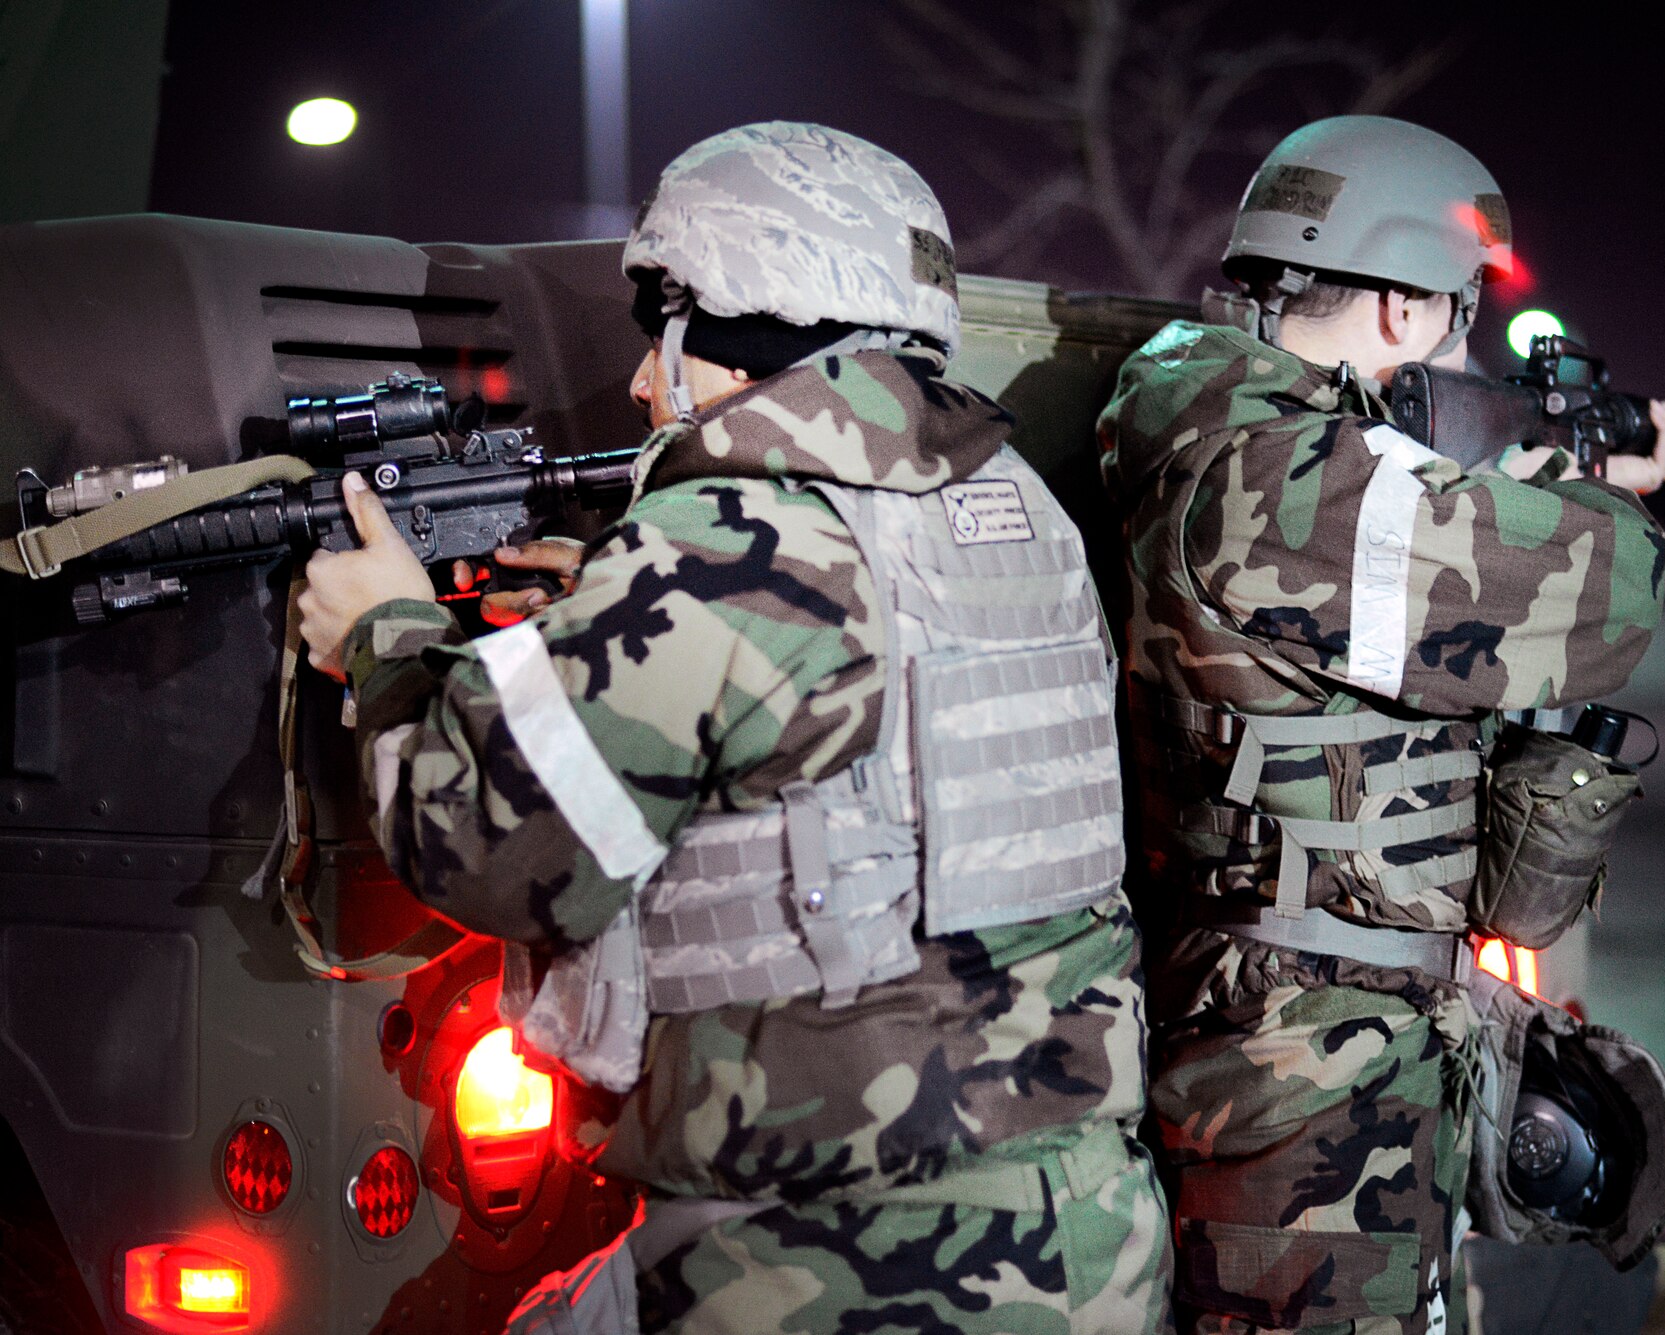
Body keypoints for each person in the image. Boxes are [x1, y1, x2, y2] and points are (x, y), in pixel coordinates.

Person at [299, 120, 1170, 1333]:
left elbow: (488, 851)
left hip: (843, 1263)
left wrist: (383, 634)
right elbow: (863, 698)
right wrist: (612, 612)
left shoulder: (729, 540)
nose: (642, 383)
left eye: (664, 334)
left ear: (737, 325)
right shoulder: (1010, 502)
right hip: (1083, 1234)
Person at [1096, 115, 1665, 1335]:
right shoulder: (1281, 482)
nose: (1454, 343)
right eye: (1455, 313)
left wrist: (1509, 488)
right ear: (1397, 306)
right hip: (1309, 1065)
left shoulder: (1218, 431)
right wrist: (1597, 494)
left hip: (1308, 1033)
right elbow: (1610, 597)